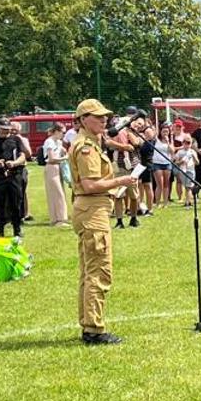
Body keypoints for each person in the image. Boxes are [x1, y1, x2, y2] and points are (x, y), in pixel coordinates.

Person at [70, 99, 137, 345]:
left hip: (91, 208)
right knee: (98, 270)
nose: (104, 119)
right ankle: (94, 330)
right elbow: (89, 184)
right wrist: (121, 181)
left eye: (105, 116)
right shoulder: (85, 147)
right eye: (97, 116)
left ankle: (90, 325)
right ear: (83, 119)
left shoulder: (91, 143)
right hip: (92, 209)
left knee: (89, 271)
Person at [0, 119, 30, 238]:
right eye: (3, 129)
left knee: (16, 201)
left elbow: (23, 156)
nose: (6, 132)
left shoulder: (16, 139)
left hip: (15, 174)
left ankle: (17, 229)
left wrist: (14, 163)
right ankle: (0, 229)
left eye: (8, 129)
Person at [42, 128, 69, 226]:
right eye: (62, 132)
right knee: (57, 193)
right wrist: (65, 158)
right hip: (51, 167)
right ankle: (59, 219)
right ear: (56, 131)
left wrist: (63, 151)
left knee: (59, 192)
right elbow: (52, 158)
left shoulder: (58, 142)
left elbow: (62, 151)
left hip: (58, 167)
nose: (63, 134)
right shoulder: (49, 142)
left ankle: (58, 218)